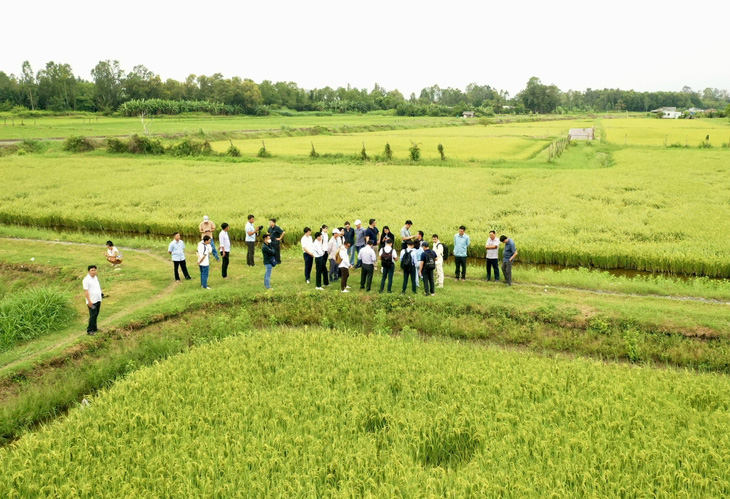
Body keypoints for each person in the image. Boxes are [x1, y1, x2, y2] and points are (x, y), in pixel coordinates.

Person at [82, 265, 102, 335]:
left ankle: (95, 328)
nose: (93, 272)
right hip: (92, 302)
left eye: (94, 270)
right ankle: (90, 330)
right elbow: (86, 291)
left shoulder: (95, 277)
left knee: (96, 314)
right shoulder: (86, 280)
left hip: (98, 300)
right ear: (89, 271)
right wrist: (89, 301)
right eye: (92, 270)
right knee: (93, 315)